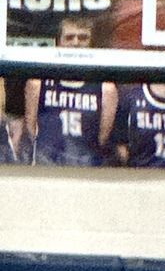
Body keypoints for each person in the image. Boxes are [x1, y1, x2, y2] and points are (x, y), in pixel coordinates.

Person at [24, 15, 118, 167]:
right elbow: (32, 128)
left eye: (82, 38)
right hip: (46, 163)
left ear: (91, 42)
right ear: (58, 42)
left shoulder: (105, 87)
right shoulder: (38, 82)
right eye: (69, 37)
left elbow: (103, 136)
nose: (76, 43)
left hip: (87, 164)